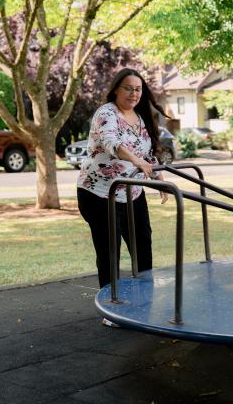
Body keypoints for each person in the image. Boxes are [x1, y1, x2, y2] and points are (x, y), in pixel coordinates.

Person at [77, 68, 168, 303]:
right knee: (109, 251)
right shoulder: (107, 113)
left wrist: (158, 178)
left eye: (138, 89)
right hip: (99, 193)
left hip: (132, 191)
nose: (133, 93)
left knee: (143, 245)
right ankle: (111, 305)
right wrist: (136, 160)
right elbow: (111, 142)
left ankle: (144, 299)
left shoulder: (140, 117)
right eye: (128, 88)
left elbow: (145, 151)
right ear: (116, 89)